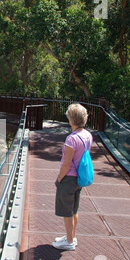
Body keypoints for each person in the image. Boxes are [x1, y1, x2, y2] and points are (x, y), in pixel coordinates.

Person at [52, 103, 93, 251]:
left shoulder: (71, 139)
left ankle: (69, 241)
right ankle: (72, 236)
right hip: (79, 179)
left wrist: (59, 179)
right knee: (74, 209)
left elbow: (66, 164)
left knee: (66, 211)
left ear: (71, 120)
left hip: (68, 178)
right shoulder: (88, 135)